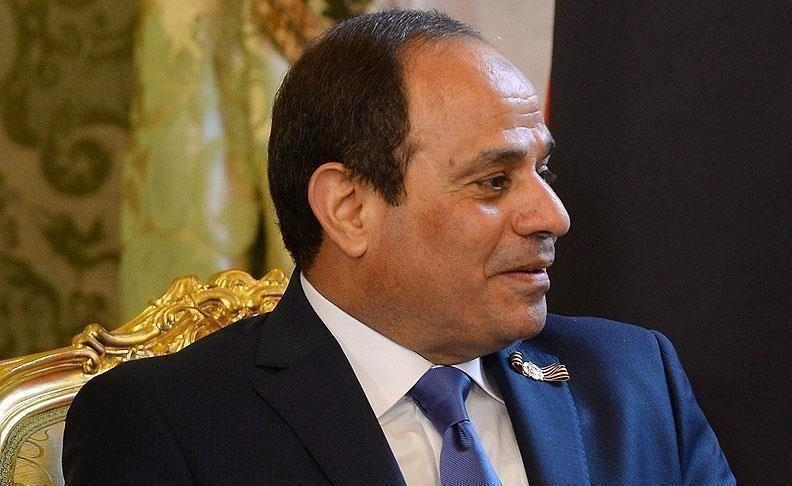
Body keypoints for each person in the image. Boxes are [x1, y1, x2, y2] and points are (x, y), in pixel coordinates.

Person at [62, 9, 733, 485]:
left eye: (543, 171)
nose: (552, 217)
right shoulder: (170, 425)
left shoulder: (632, 380)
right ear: (349, 209)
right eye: (494, 181)